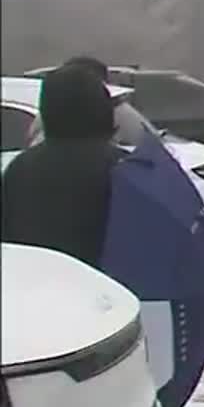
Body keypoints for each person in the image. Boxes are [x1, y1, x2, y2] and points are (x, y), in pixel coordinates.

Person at [0, 62, 123, 266]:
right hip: (106, 287)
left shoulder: (20, 168)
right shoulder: (122, 167)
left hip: (38, 282)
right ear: (102, 107)